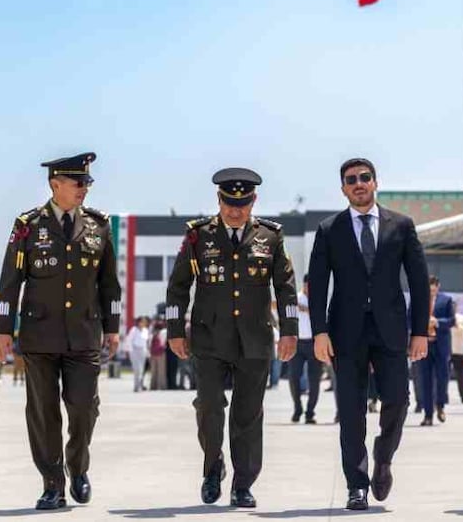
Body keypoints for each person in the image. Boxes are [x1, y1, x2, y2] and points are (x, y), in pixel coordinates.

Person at [0, 152, 121, 510]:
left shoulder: (98, 225)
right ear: (56, 184)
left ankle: (78, 466)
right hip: (40, 336)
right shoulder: (28, 225)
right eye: (78, 183)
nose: (84, 189)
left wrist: (112, 328)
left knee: (83, 408)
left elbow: (109, 285)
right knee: (43, 412)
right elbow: (9, 282)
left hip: (83, 335)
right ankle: (52, 482)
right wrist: (3, 329)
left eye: (87, 183)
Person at [165, 167, 298, 509]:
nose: (235, 210)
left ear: (253, 201)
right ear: (219, 200)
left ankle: (242, 484)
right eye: (228, 202)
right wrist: (175, 331)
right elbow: (177, 288)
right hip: (209, 339)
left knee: (248, 414)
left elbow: (285, 288)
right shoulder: (198, 235)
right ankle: (213, 469)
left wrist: (290, 332)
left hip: (255, 339)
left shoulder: (271, 236)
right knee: (209, 407)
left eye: (242, 203)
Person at [308, 158, 430, 511]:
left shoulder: (401, 226)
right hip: (346, 334)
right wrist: (319, 332)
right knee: (351, 410)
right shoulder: (330, 229)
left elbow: (419, 281)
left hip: (391, 330)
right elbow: (317, 285)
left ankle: (384, 456)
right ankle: (356, 484)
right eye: (351, 180)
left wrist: (420, 330)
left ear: (375, 182)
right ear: (343, 188)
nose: (359, 183)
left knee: (398, 400)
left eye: (365, 178)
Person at [418, 276, 455, 425]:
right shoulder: (419, 299)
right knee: (425, 380)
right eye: (429, 290)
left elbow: (452, 321)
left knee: (442, 378)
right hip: (424, 346)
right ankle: (428, 415)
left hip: (441, 345)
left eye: (434, 290)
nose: (431, 292)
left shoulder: (446, 300)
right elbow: (409, 318)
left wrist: (437, 322)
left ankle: (440, 406)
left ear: (438, 287)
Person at [289, 275, 323, 424]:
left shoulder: (319, 300)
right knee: (293, 377)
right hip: (298, 343)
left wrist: (308, 310)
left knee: (314, 379)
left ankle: (310, 412)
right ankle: (297, 408)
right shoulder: (296, 298)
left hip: (314, 343)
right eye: (307, 285)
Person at [124, 316, 151, 392]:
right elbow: (129, 340)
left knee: (141, 369)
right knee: (137, 369)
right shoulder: (134, 330)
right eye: (142, 321)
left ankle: (139, 386)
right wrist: (129, 350)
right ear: (138, 322)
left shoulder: (146, 330)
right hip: (134, 350)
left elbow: (146, 342)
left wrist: (147, 353)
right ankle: (136, 386)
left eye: (144, 322)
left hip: (142, 350)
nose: (143, 323)